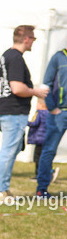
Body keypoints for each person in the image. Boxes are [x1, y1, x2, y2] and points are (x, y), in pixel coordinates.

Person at [0, 25, 47, 205]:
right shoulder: (15, 58)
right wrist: (36, 92)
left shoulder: (8, 55)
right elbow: (17, 88)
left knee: (11, 150)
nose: (33, 42)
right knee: (8, 151)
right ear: (26, 39)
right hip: (12, 110)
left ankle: (3, 190)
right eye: (33, 39)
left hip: (6, 109)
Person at [35, 45, 67, 197]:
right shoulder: (58, 57)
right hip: (59, 113)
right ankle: (42, 189)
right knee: (49, 150)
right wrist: (52, 107)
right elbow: (45, 84)